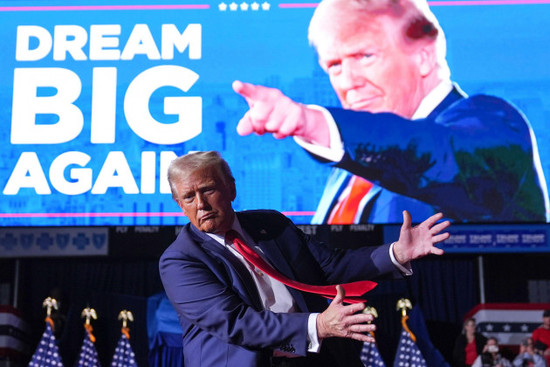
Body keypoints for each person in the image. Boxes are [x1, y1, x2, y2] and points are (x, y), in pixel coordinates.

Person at [232, 0, 549, 224]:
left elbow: (433, 156)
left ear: (424, 57)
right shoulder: (349, 164)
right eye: (334, 65)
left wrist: (312, 122)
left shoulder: (493, 122)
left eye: (366, 56)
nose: (348, 82)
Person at [159, 151, 450, 367]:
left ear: (231, 189)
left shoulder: (270, 224)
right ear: (179, 204)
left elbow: (331, 266)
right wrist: (319, 325)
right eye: (188, 197)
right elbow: (236, 322)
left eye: (208, 190)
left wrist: (396, 253)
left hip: (312, 357)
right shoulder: (180, 261)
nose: (201, 204)